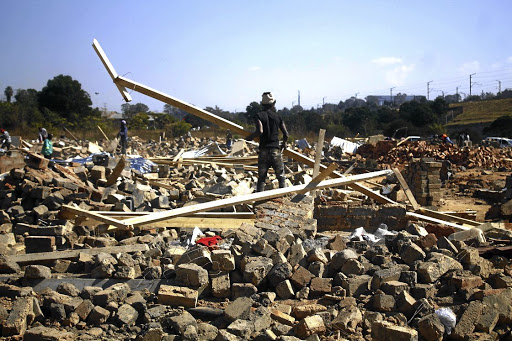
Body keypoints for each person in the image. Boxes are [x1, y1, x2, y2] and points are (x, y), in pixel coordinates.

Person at [245, 92, 289, 192]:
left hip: (264, 151)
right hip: (275, 151)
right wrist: (284, 144)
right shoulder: (278, 117)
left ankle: (259, 200)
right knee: (281, 177)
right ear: (274, 104)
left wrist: (250, 137)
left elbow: (260, 131)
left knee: (261, 179)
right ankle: (283, 197)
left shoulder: (258, 116)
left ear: (262, 104)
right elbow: (286, 134)